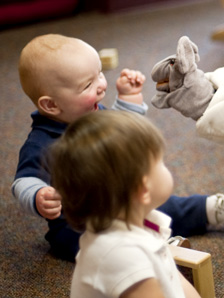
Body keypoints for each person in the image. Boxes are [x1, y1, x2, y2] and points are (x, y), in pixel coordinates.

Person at [11, 33, 224, 262]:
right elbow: (24, 180)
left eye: (100, 74)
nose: (102, 85)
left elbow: (122, 130)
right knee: (84, 241)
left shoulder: (93, 113)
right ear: (51, 105)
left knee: (166, 205)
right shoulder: (41, 143)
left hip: (125, 198)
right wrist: (37, 195)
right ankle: (147, 249)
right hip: (85, 220)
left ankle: (211, 210)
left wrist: (128, 97)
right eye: (88, 84)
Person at [50, 110, 201, 298]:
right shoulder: (123, 256)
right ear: (143, 189)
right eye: (160, 162)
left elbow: (173, 279)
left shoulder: (141, 224)